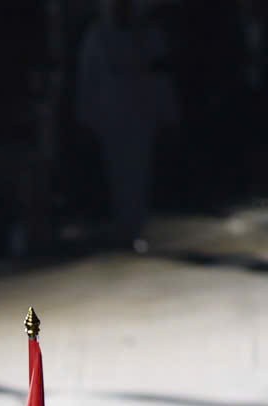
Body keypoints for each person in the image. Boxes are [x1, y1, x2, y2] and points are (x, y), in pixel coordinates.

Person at [76, 0, 178, 253]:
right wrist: (87, 114)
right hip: (111, 116)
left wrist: (166, 110)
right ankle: (122, 226)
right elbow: (88, 76)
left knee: (139, 173)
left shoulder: (148, 36)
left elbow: (160, 75)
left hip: (140, 115)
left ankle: (134, 227)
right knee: (117, 173)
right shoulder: (98, 36)